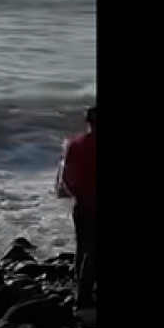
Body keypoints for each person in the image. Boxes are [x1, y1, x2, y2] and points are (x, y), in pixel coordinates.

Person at [56, 106, 96, 308]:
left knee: (83, 246)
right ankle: (84, 295)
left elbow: (65, 176)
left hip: (81, 202)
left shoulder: (74, 144)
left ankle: (77, 283)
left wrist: (75, 193)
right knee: (93, 251)